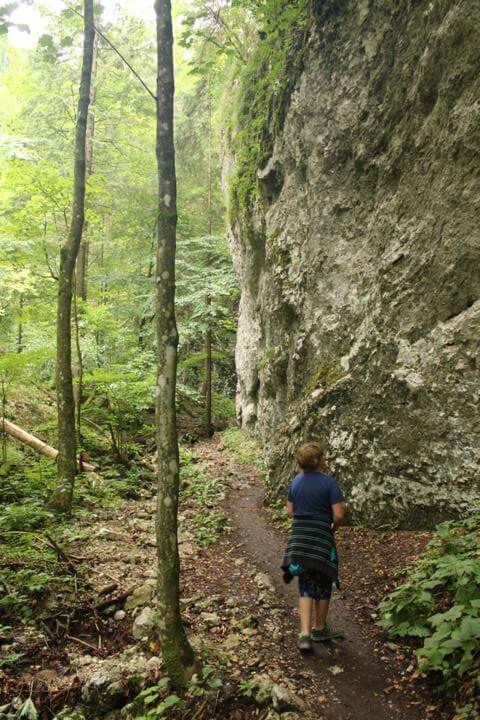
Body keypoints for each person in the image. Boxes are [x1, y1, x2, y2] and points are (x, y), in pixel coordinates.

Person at [281, 441, 345, 651]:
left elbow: (290, 512)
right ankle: (320, 628)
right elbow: (338, 515)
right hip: (320, 538)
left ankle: (305, 634)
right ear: (320, 461)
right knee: (324, 582)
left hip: (299, 539)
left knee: (305, 584)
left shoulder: (295, 482)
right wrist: (332, 528)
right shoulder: (329, 483)